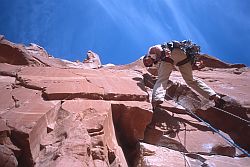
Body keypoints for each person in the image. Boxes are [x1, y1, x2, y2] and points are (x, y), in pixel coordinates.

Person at [143, 40, 222, 108]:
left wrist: (165, 50)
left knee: (162, 79)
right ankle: (214, 97)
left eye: (145, 60)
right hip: (183, 59)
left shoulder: (151, 51)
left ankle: (156, 100)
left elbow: (157, 48)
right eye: (147, 64)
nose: (147, 62)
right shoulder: (156, 62)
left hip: (170, 54)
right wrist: (195, 66)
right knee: (190, 80)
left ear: (146, 56)